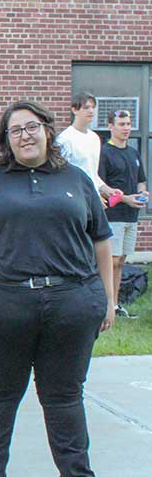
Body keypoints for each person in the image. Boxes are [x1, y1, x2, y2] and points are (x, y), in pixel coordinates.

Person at [0, 100, 115, 477]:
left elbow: (101, 242)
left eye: (31, 127)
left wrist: (107, 299)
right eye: (15, 131)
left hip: (71, 304)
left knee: (64, 397)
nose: (25, 135)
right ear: (6, 141)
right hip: (1, 304)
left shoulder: (76, 181)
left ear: (46, 130)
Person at [98, 109, 147, 319]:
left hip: (131, 216)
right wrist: (125, 198)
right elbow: (101, 187)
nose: (126, 128)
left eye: (128, 124)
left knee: (122, 261)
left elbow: (141, 180)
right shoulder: (105, 153)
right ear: (111, 127)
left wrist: (143, 193)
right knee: (112, 260)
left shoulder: (133, 153)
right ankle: (104, 305)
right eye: (121, 124)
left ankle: (116, 306)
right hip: (113, 216)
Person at [56, 91, 119, 198]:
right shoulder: (64, 139)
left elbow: (92, 173)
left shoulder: (94, 138)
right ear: (74, 110)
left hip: (92, 199)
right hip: (74, 199)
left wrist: (108, 190)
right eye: (86, 107)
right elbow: (59, 175)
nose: (91, 111)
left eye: (93, 107)